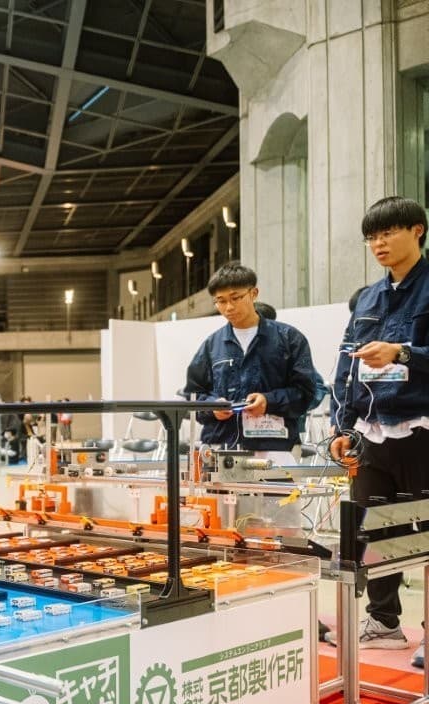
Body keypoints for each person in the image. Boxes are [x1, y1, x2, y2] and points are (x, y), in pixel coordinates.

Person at [327, 196, 429, 663]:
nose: (378, 244)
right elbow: (346, 368)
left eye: (388, 233)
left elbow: (400, 356)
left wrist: (402, 353)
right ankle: (384, 621)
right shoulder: (368, 297)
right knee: (374, 531)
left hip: (422, 432)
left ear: (417, 231)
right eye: (371, 237)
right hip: (372, 436)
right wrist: (341, 427)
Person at [181, 262, 315, 460]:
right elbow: (192, 395)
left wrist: (269, 401)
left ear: (254, 293)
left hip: (276, 446)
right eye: (220, 301)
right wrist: (212, 407)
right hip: (221, 445)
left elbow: (306, 393)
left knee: (277, 483)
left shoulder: (289, 339)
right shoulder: (211, 346)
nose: (229, 307)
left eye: (236, 298)